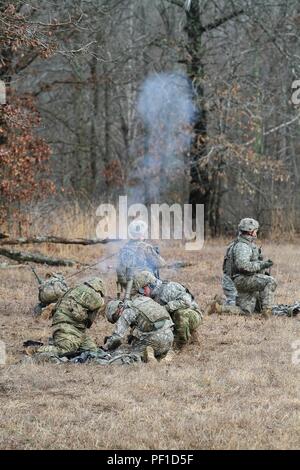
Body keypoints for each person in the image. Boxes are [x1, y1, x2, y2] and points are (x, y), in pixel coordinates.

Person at [208, 218, 277, 316]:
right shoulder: (243, 246)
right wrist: (262, 264)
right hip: (242, 280)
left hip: (240, 279)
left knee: (246, 311)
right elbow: (243, 266)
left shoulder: (243, 243)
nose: (256, 232)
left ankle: (219, 307)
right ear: (251, 232)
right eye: (255, 230)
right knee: (270, 281)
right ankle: (267, 311)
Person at [26, 277, 106, 361]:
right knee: (65, 350)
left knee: (92, 351)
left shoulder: (76, 288)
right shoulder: (92, 293)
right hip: (66, 325)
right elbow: (102, 304)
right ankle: (36, 350)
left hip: (75, 328)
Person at [133, 271, 203, 348]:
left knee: (180, 314)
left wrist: (165, 308)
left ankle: (181, 345)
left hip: (192, 315)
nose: (142, 293)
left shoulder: (168, 288)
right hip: (173, 319)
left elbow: (186, 302)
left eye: (142, 290)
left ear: (150, 285)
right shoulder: (151, 296)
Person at [103, 297, 174, 363]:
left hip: (154, 339)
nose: (117, 319)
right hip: (170, 337)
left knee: (132, 356)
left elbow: (117, 337)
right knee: (141, 342)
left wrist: (106, 348)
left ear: (117, 311)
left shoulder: (126, 312)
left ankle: (147, 356)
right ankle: (162, 356)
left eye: (115, 317)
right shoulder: (143, 300)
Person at [116, 219, 165, 298]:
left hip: (129, 287)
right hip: (144, 287)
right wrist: (156, 254)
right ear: (142, 234)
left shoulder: (124, 248)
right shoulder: (145, 247)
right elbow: (161, 263)